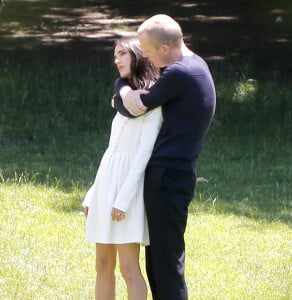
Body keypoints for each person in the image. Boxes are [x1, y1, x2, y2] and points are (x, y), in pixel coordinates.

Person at [113, 14, 216, 300]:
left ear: (164, 49)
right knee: (159, 260)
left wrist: (123, 96)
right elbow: (128, 86)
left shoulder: (178, 74)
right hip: (172, 175)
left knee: (166, 262)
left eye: (147, 52)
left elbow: (136, 107)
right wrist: (123, 90)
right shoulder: (195, 65)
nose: (145, 57)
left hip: (167, 177)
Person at [82, 36, 162, 300]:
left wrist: (124, 199)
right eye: (114, 55)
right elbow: (112, 150)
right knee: (102, 264)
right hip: (107, 183)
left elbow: (143, 154)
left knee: (129, 268)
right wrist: (93, 192)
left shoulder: (152, 101)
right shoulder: (124, 97)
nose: (116, 60)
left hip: (128, 189)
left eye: (121, 54)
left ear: (137, 55)